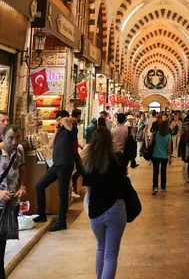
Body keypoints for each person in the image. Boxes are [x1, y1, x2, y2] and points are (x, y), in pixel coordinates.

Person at [82, 127, 127, 279]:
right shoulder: (117, 159)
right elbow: (122, 181)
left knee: (101, 248)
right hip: (114, 208)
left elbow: (88, 190)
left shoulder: (87, 162)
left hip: (95, 211)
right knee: (111, 255)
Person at [35, 110, 78, 231]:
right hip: (56, 165)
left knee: (62, 194)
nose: (58, 120)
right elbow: (50, 145)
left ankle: (62, 221)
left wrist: (64, 120)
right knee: (39, 185)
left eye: (60, 118)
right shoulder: (60, 131)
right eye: (57, 118)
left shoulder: (72, 129)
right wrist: (56, 130)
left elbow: (68, 124)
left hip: (65, 165)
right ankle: (41, 214)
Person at [0, 124, 26, 279]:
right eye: (11, 138)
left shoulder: (20, 150)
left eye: (17, 137)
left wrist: (23, 186)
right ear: (2, 137)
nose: (14, 142)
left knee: (2, 248)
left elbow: (22, 170)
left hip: (10, 207)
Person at [150, 120, 172, 195]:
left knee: (155, 172)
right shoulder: (168, 136)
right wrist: (170, 157)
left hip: (155, 155)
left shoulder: (156, 133)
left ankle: (155, 187)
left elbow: (150, 143)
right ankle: (163, 187)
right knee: (163, 172)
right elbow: (169, 148)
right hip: (164, 156)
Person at [71, 108, 82, 199]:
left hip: (74, 150)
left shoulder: (72, 123)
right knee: (81, 167)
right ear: (78, 115)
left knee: (79, 168)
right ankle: (71, 185)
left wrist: (80, 146)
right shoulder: (72, 124)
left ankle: (72, 187)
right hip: (73, 151)